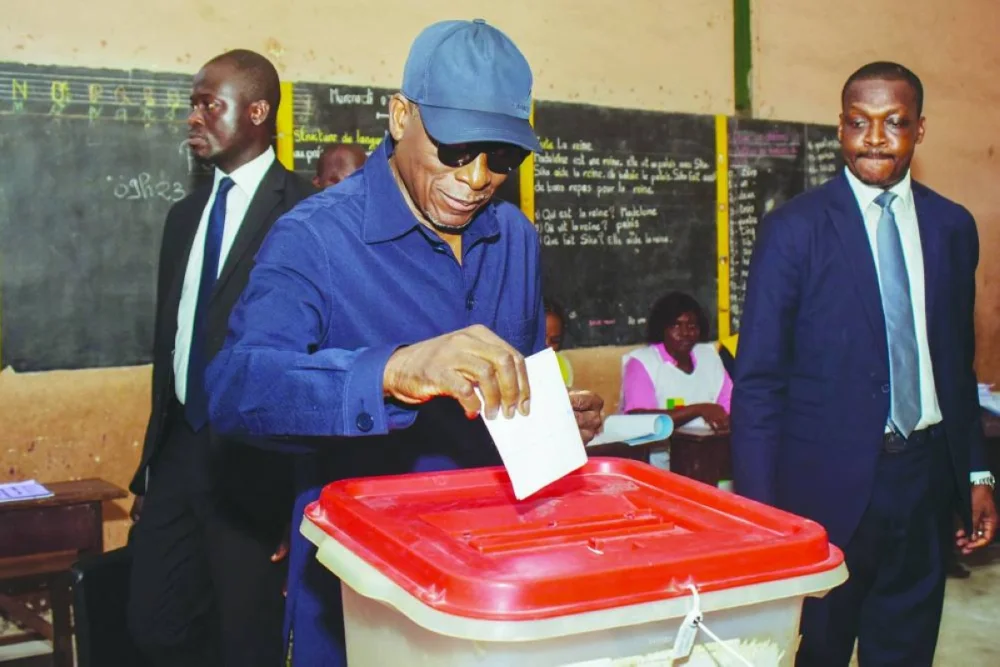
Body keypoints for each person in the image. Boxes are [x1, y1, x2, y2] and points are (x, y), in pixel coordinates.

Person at [205, 19, 604, 666]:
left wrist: (552, 419)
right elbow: (236, 388)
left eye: (501, 157)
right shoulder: (315, 238)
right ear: (399, 117)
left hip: (493, 583)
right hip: (365, 595)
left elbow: (514, 389)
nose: (476, 178)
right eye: (454, 150)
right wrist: (389, 372)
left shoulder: (516, 240)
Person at [731, 61, 997, 667]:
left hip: (925, 483)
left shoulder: (952, 227)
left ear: (920, 130)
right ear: (840, 128)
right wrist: (760, 514)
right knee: (815, 651)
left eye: (894, 122)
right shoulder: (793, 230)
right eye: (859, 122)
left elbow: (956, 367)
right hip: (821, 496)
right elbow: (760, 384)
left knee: (905, 650)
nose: (875, 137)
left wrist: (976, 477)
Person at [126, 49, 316, 667]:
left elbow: (319, 357)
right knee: (154, 622)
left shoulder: (307, 214)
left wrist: (299, 500)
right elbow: (171, 345)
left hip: (254, 467)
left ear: (258, 111)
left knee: (246, 639)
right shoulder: (184, 218)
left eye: (211, 104)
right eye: (193, 104)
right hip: (181, 451)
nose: (195, 117)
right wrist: (151, 468)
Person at [619, 291, 731, 432]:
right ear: (661, 329)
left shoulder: (709, 358)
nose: (685, 333)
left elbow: (729, 409)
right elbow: (639, 420)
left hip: (708, 448)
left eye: (692, 326)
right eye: (676, 326)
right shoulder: (643, 363)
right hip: (659, 452)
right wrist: (698, 409)